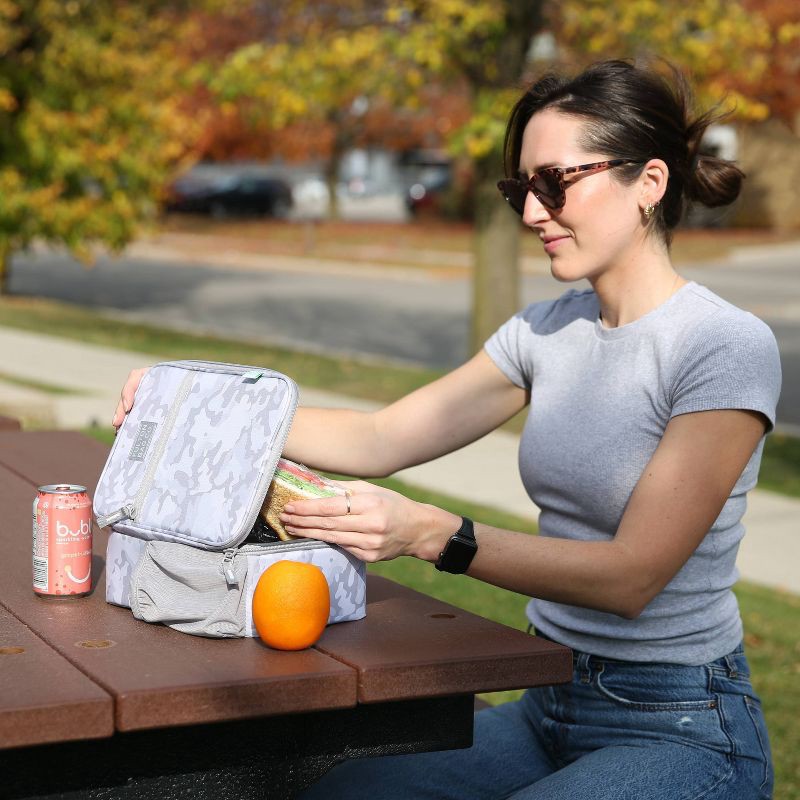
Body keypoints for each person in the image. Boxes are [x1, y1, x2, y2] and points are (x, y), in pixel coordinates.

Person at [113, 60, 781, 799]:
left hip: (681, 723)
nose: (532, 212)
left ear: (648, 182)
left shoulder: (722, 345)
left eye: (555, 183)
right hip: (546, 700)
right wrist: (190, 403)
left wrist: (433, 533)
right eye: (520, 187)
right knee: (340, 792)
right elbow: (381, 436)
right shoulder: (545, 332)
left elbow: (633, 576)